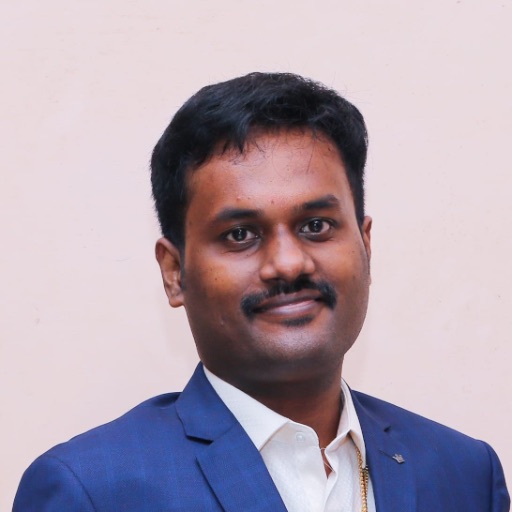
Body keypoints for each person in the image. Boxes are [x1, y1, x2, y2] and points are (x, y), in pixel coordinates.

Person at [14, 72, 510, 512]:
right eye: (240, 235)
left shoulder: (463, 473)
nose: (288, 263)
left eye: (316, 225)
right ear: (174, 271)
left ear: (365, 244)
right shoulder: (93, 490)